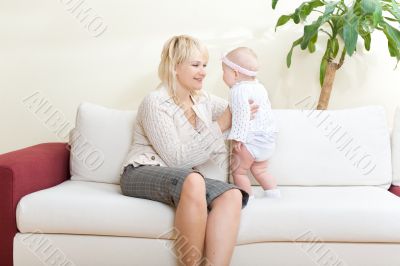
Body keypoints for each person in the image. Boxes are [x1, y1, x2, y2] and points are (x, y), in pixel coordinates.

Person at [120, 35, 257, 266]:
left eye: (204, 65)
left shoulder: (202, 100)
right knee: (194, 180)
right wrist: (222, 124)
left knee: (232, 194)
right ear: (174, 67)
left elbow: (239, 108)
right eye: (195, 65)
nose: (203, 71)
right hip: (141, 170)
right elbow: (177, 159)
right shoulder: (155, 102)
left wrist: (245, 91)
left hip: (186, 179)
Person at [222, 47, 280, 200]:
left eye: (224, 72)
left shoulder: (237, 90)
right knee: (260, 170)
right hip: (268, 139)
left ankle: (248, 200)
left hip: (250, 139)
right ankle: (274, 194)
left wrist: (237, 138)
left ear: (235, 73)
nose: (223, 76)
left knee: (239, 171)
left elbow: (242, 115)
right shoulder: (260, 88)